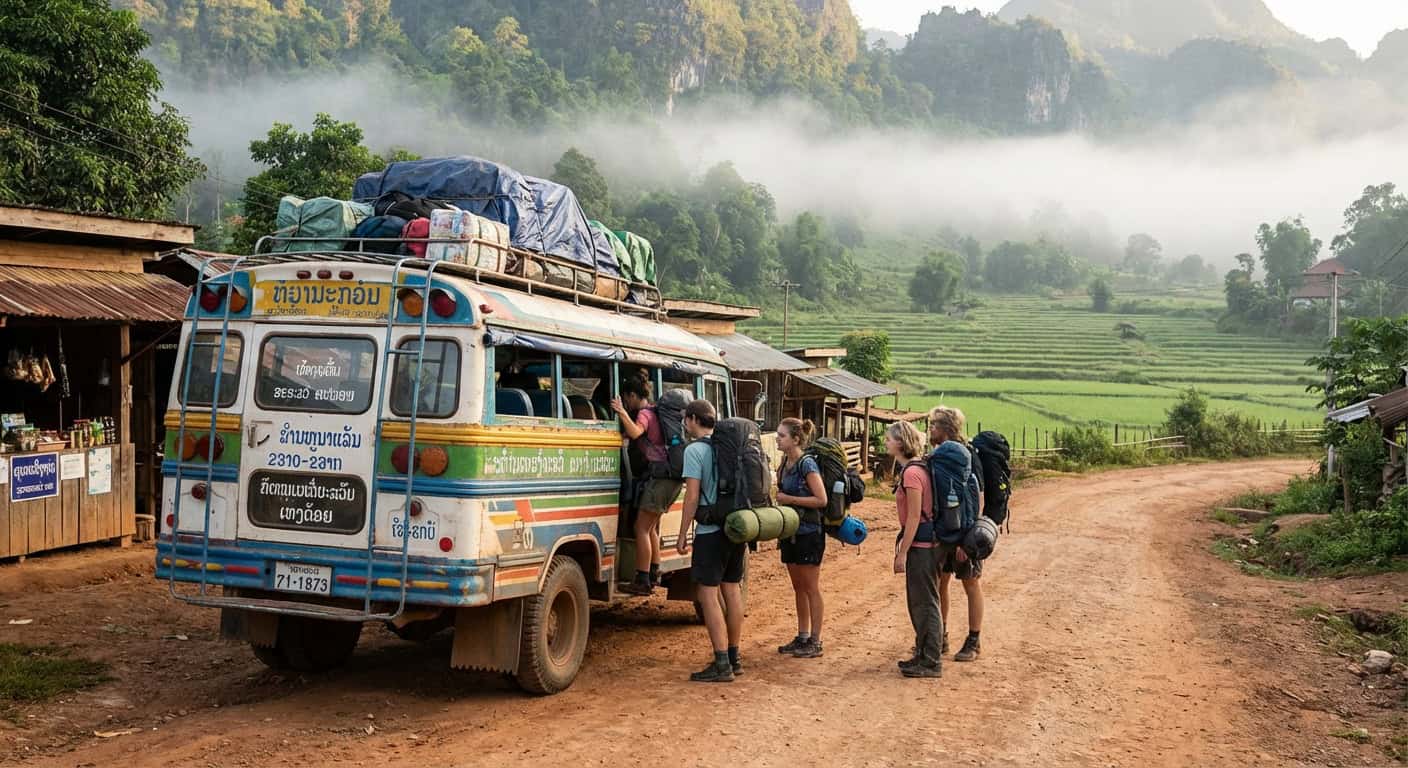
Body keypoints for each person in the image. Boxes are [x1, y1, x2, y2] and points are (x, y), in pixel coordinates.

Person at [675, 399, 745, 683]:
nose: (685, 425)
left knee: (707, 594)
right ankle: (733, 657)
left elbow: (692, 496)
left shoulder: (695, 451)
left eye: (686, 420)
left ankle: (720, 664)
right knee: (732, 590)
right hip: (735, 527)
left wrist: (682, 534)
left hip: (710, 531)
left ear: (693, 419)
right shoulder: (729, 447)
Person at [612, 377, 679, 595]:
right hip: (670, 478)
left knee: (640, 528)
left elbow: (635, 432)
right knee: (651, 528)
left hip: (659, 478)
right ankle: (653, 573)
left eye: (626, 398)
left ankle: (641, 579)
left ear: (632, 396)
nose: (626, 402)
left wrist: (621, 412)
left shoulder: (644, 414)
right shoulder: (656, 412)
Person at [928, 405, 984, 662]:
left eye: (933, 425)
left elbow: (976, 497)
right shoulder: (938, 454)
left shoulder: (968, 454)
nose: (930, 430)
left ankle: (974, 641)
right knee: (942, 582)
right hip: (944, 531)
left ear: (946, 428)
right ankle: (941, 637)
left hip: (965, 532)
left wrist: (968, 538)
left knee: (971, 582)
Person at [889, 420, 943, 678]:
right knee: (921, 602)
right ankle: (923, 654)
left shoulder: (911, 474)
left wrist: (902, 553)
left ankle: (931, 661)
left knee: (925, 602)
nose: (886, 442)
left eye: (890, 438)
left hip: (922, 546)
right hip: (926, 544)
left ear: (900, 443)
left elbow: (913, 516)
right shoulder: (918, 469)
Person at [773, 418, 829, 659]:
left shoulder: (807, 465)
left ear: (795, 439)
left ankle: (815, 640)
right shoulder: (785, 463)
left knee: (811, 588)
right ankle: (803, 635)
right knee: (798, 587)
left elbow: (821, 500)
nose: (777, 439)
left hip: (809, 533)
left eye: (782, 435)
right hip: (791, 533)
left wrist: (789, 499)